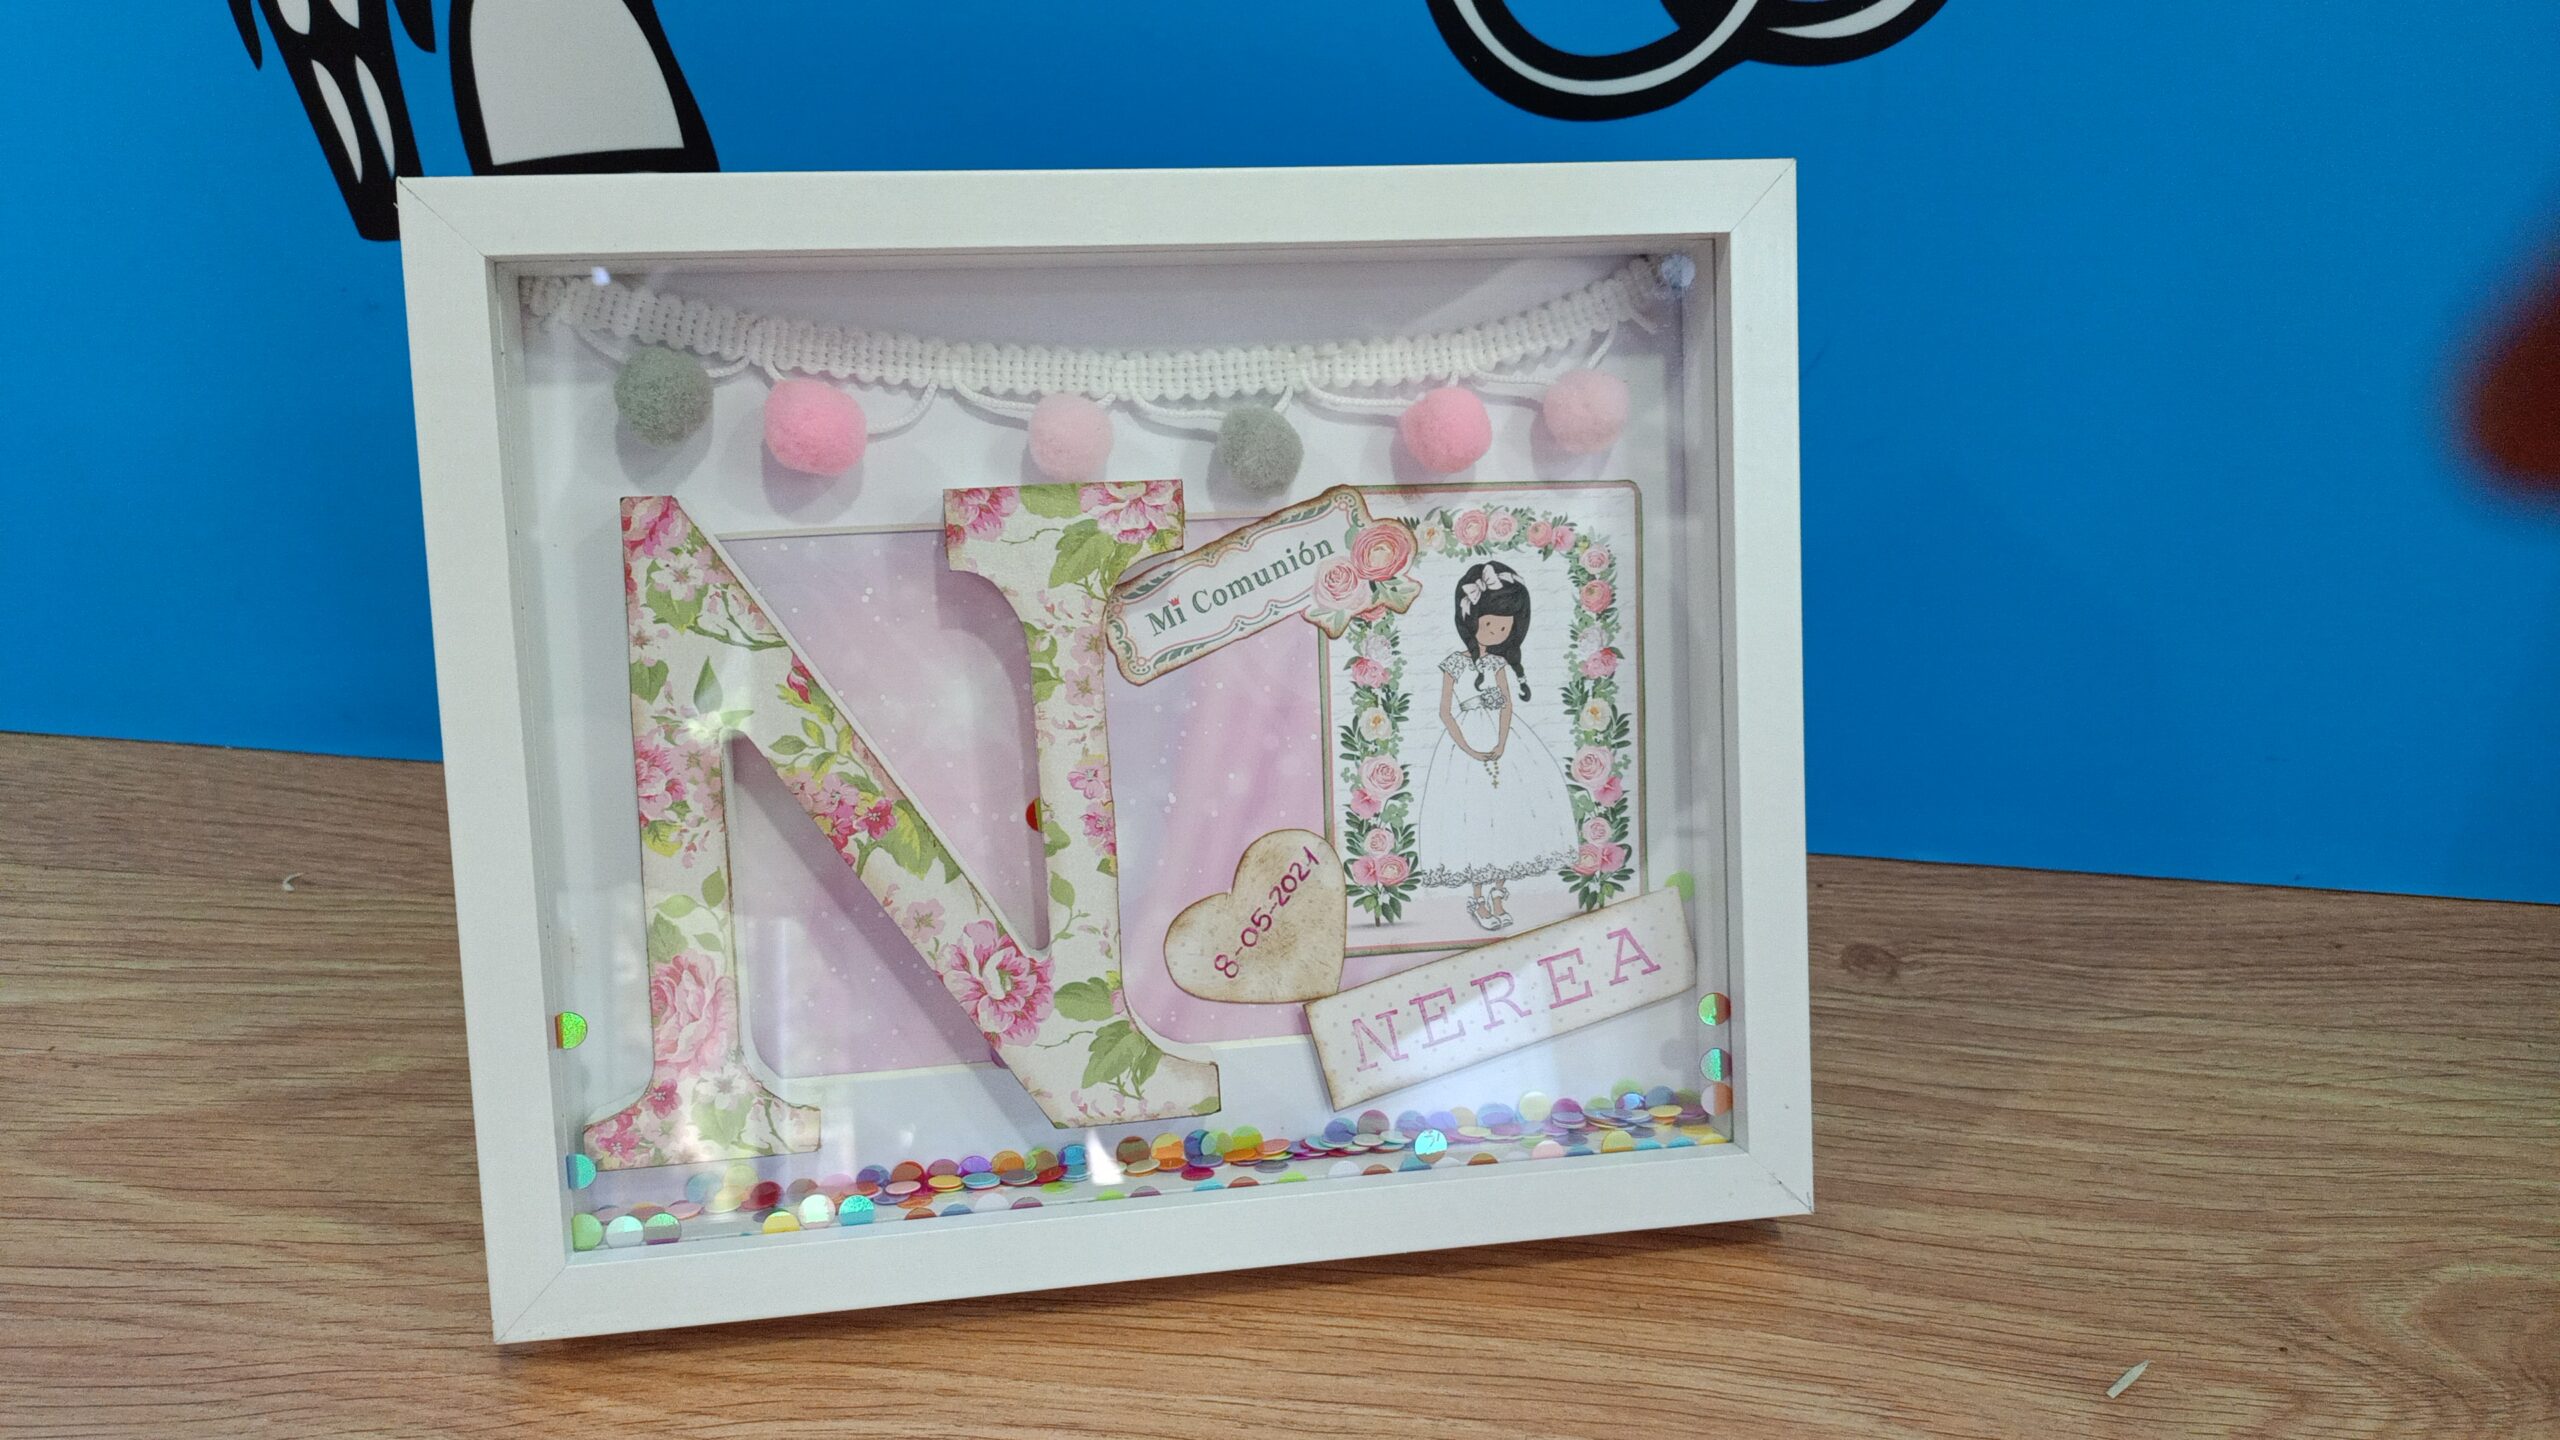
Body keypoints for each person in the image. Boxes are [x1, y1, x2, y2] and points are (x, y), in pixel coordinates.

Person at [1412, 561, 1576, 930]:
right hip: (1465, 744)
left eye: (1505, 627)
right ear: (1471, 620)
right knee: (1473, 815)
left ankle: (1499, 893)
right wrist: (1469, 748)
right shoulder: (1454, 664)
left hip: (1506, 743)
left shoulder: (1499, 663)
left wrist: (1502, 741)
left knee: (1506, 812)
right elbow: (1445, 712)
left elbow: (1507, 704)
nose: (1498, 632)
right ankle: (1477, 898)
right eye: (1490, 625)